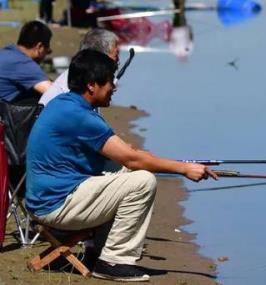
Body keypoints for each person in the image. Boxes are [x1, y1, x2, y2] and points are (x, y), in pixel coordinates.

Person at [25, 49, 218, 282]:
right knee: (142, 181)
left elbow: (126, 155)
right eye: (109, 83)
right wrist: (184, 168)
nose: (114, 88)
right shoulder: (79, 115)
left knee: (131, 172)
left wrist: (162, 163)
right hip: (54, 204)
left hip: (48, 197)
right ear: (91, 85)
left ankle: (100, 251)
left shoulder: (66, 103)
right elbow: (131, 158)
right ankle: (113, 261)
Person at [39, 28, 119, 106]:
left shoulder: (80, 74)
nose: (118, 61)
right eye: (116, 55)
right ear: (99, 56)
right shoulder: (79, 84)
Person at [0, 20, 53, 104]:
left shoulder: (8, 52)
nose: (46, 54)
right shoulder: (23, 63)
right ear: (39, 47)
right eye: (47, 50)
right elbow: (55, 93)